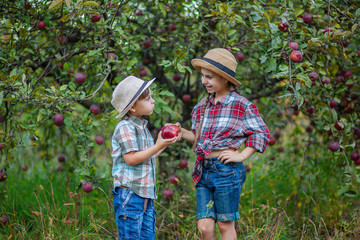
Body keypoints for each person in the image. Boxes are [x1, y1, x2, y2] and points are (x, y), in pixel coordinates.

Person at [179, 48, 270, 240]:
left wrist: (242, 155)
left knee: (225, 225)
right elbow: (198, 137)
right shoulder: (201, 107)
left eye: (210, 77)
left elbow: (261, 132)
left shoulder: (241, 104)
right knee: (204, 228)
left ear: (225, 78)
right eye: (203, 76)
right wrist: (180, 132)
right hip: (204, 169)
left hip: (226, 170)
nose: (204, 81)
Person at [110, 75, 181, 240]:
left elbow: (148, 156)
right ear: (133, 107)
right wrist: (157, 146)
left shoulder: (141, 126)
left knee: (147, 236)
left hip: (145, 195)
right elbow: (131, 159)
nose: (153, 101)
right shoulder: (125, 127)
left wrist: (162, 144)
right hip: (130, 195)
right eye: (148, 98)